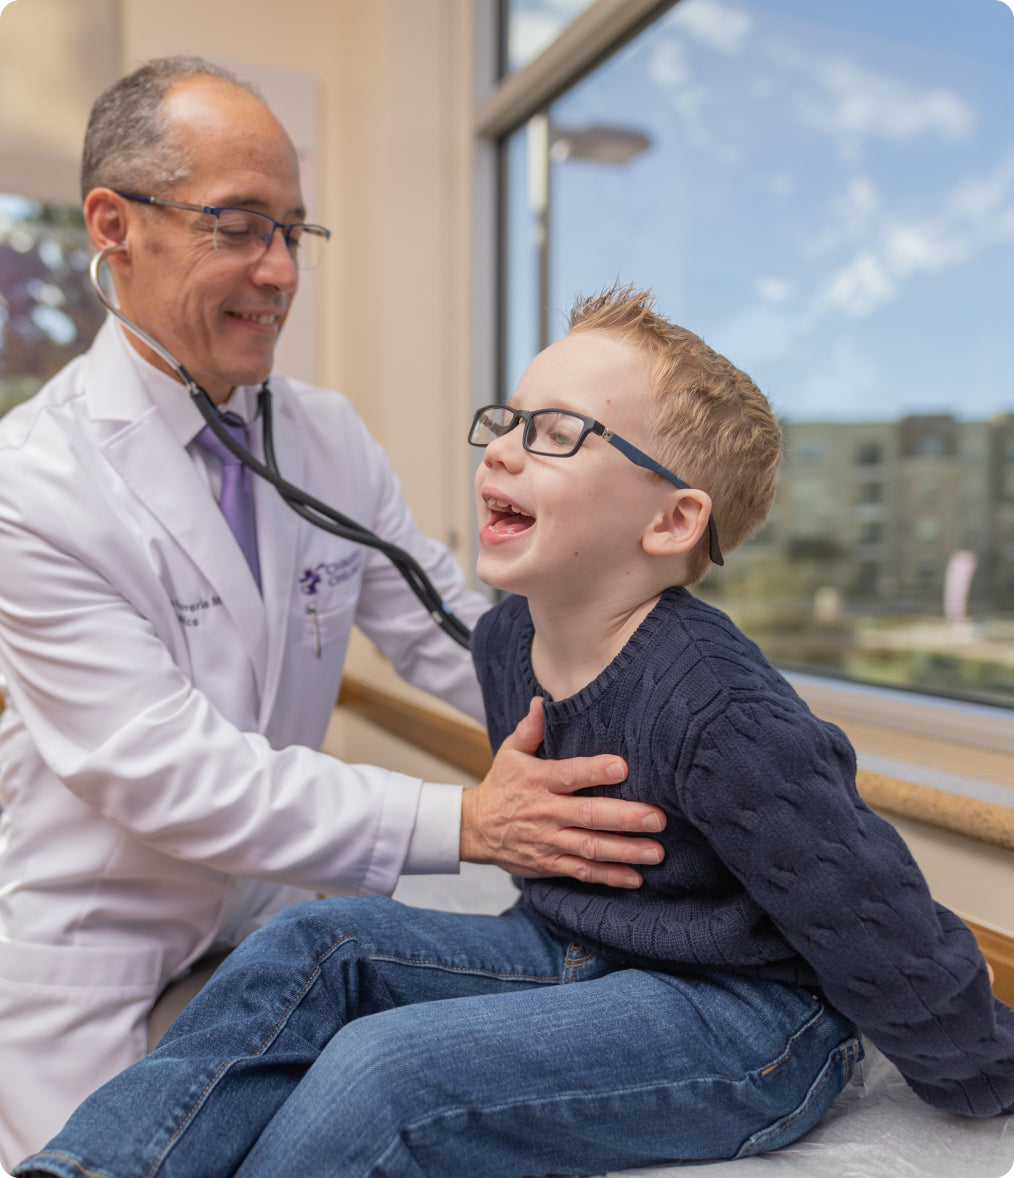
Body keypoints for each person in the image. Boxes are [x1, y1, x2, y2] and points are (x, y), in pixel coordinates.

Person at [16, 284, 1014, 1178]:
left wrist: (983, 1071)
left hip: (747, 1015)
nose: (500, 445)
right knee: (314, 939)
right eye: (509, 418)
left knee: (385, 1070)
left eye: (556, 432)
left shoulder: (717, 704)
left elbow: (868, 906)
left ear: (668, 522)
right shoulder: (505, 643)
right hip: (568, 944)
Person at [0, 61, 668, 1167]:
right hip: (93, 929)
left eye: (295, 234)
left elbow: (452, 631)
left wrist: (649, 716)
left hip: (264, 915)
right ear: (114, 226)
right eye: (241, 226)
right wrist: (468, 822)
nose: (277, 271)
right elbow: (163, 767)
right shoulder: (33, 479)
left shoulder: (324, 437)